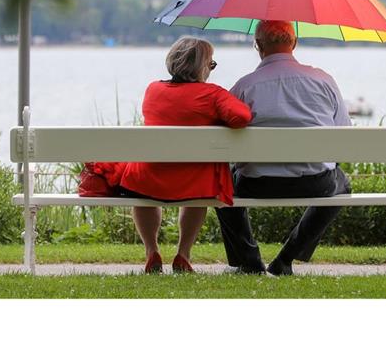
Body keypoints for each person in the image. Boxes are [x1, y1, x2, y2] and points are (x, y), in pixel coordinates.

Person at [215, 20, 352, 276]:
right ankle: (286, 258)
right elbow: (344, 132)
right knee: (342, 184)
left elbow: (221, 134)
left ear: (258, 45)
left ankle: (249, 261)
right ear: (294, 43)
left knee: (221, 184)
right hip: (315, 182)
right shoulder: (323, 80)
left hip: (256, 183)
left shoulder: (245, 85)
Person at [116, 36, 252, 274]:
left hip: (148, 180)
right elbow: (241, 117)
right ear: (201, 67)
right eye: (211, 64)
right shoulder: (212, 95)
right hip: (192, 183)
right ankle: (183, 254)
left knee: (143, 182)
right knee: (197, 184)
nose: (210, 70)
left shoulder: (153, 90)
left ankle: (151, 251)